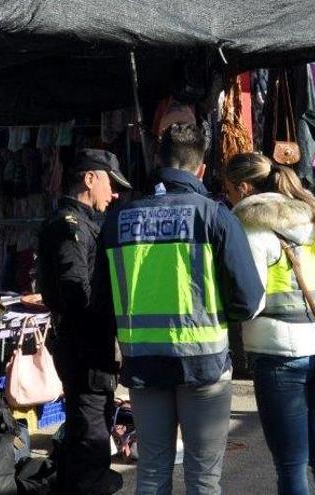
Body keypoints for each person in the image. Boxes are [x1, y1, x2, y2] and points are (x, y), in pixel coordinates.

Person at [97, 124, 263, 494]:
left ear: (157, 160)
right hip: (203, 364)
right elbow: (247, 301)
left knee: (152, 471)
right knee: (203, 478)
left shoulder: (119, 220)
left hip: (143, 362)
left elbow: (102, 300)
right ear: (201, 168)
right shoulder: (215, 217)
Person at [226, 153, 315, 495]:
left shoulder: (250, 227)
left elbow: (250, 301)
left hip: (277, 353)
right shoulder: (314, 219)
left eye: (230, 191)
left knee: (291, 465)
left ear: (244, 187)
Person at [36, 148, 131, 495]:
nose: (115, 193)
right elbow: (75, 289)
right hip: (86, 345)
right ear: (90, 179)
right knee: (91, 428)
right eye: (111, 184)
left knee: (87, 424)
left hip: (85, 343)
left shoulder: (81, 223)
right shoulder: (71, 226)